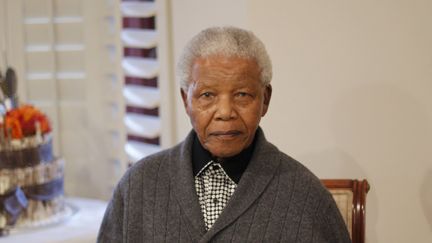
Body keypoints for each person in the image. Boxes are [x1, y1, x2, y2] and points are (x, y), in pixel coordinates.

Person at [97, 26, 351, 242]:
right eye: (207, 95)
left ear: (265, 100)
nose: (225, 112)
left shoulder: (307, 196)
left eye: (242, 95)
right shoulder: (138, 185)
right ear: (187, 100)